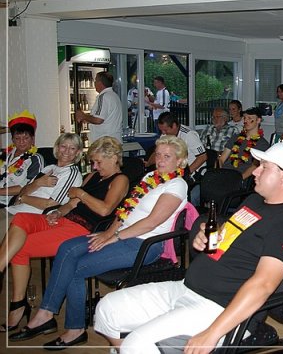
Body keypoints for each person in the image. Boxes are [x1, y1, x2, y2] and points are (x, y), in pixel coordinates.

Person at [92, 142, 283, 353]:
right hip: (186, 287)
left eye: (264, 167)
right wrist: (206, 235)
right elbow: (232, 235)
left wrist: (213, 332)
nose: (255, 171)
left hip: (219, 307)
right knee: (107, 309)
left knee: (136, 343)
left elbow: (263, 285)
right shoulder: (254, 201)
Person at [10, 136, 189, 348]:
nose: (159, 160)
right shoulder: (152, 176)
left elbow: (151, 223)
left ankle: (67, 325)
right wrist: (108, 233)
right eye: (158, 154)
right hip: (123, 234)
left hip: (144, 244)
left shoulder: (177, 185)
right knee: (67, 249)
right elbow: (126, 210)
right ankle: (48, 316)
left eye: (167, 156)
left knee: (75, 268)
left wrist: (114, 237)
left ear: (180, 161)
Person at [0, 137, 128, 333]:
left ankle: (18, 306)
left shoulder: (120, 180)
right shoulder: (93, 176)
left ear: (113, 158)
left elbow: (105, 210)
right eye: (93, 162)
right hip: (65, 220)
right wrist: (58, 212)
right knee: (21, 218)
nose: (94, 166)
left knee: (20, 247)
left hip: (82, 228)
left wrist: (81, 194)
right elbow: (72, 203)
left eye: (98, 162)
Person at [4, 133, 83, 218]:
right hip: (12, 210)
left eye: (72, 148)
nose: (67, 151)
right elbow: (23, 191)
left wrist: (23, 198)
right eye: (63, 146)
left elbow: (50, 204)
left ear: (77, 152)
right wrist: (37, 183)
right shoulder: (48, 168)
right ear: (57, 148)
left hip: (29, 216)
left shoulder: (71, 173)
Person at [0, 110, 44, 207]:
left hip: (8, 203)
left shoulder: (35, 159)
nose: (21, 142)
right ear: (12, 139)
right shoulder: (5, 154)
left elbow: (27, 187)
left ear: (32, 138)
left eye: (26, 138)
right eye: (17, 138)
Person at [146, 112, 207, 177]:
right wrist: (148, 164)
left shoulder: (189, 135)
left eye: (165, 130)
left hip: (193, 173)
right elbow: (157, 153)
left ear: (174, 125)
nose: (163, 133)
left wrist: (186, 173)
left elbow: (203, 157)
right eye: (161, 130)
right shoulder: (165, 135)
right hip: (174, 171)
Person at [218, 107, 270, 180]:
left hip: (240, 178)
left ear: (258, 120)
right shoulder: (235, 137)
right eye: (244, 118)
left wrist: (238, 180)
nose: (245, 121)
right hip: (224, 174)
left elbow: (254, 166)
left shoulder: (262, 144)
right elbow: (222, 159)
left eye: (249, 118)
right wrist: (219, 173)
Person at [75, 71, 123, 143]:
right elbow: (106, 118)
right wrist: (88, 119)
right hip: (114, 140)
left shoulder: (103, 97)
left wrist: (83, 115)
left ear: (100, 83)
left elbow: (98, 120)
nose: (94, 83)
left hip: (104, 142)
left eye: (95, 80)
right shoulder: (114, 96)